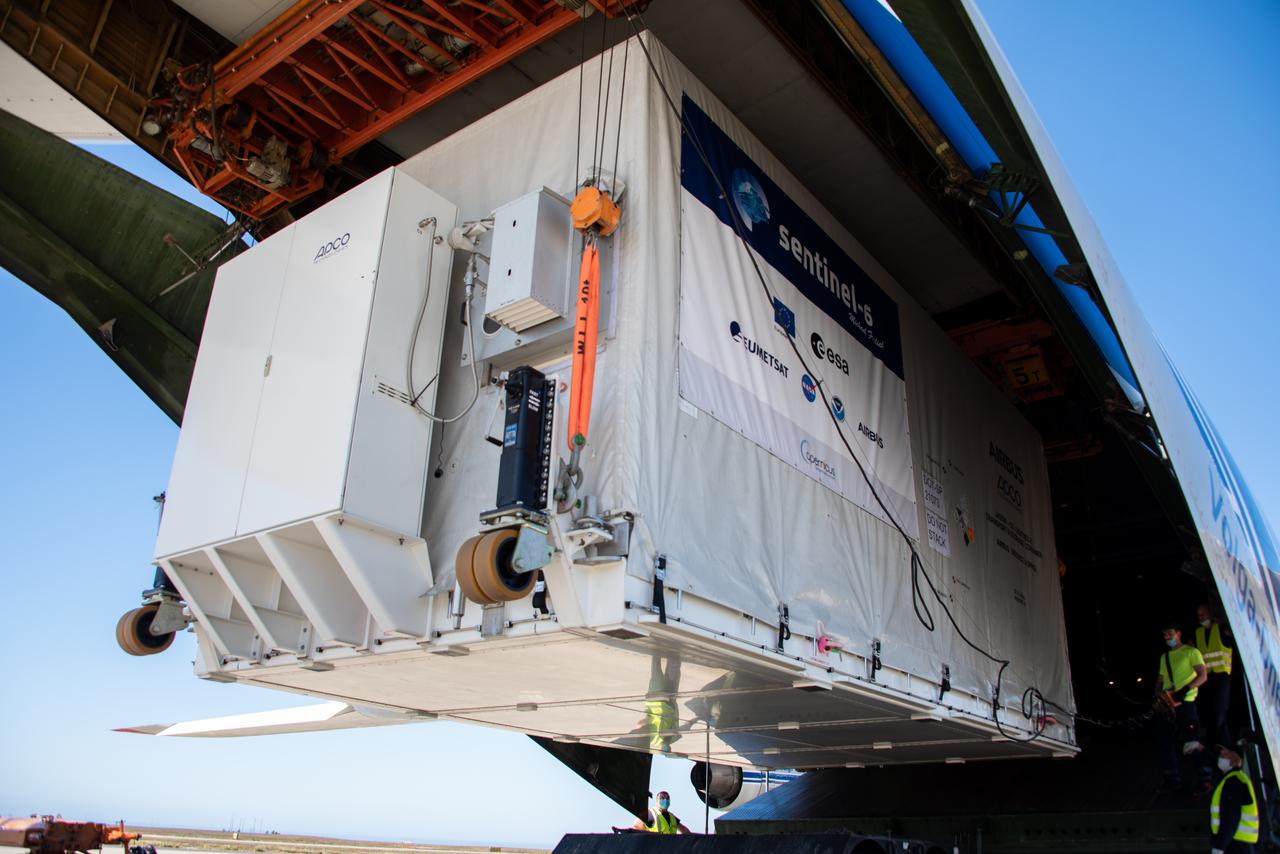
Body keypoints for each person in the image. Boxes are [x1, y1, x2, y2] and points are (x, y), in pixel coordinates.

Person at [1154, 621, 1208, 789]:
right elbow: (1160, 680)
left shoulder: (1191, 652)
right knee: (1165, 741)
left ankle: (1204, 778)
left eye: (1170, 633)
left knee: (1192, 741)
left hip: (1186, 703)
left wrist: (1185, 690)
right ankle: (1171, 778)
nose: (1167, 637)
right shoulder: (1165, 657)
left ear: (1178, 633)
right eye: (1165, 635)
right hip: (1168, 705)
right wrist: (1157, 695)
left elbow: (1202, 676)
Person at [1196, 603, 1235, 748]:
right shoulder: (1198, 633)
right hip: (1207, 679)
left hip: (1222, 676)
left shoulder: (1221, 629)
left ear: (1211, 614)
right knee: (1215, 715)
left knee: (1219, 715)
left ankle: (1214, 745)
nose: (1200, 617)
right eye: (1198, 614)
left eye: (1203, 614)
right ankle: (1225, 748)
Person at [1211, 746, 1259, 853]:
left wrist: (1220, 846)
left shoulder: (1234, 781)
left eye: (1225, 754)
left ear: (1236, 760)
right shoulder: (1235, 778)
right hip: (1238, 842)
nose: (1221, 756)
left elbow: (1231, 817)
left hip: (1235, 844)